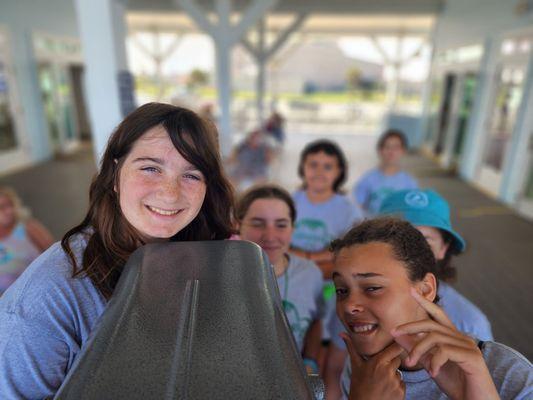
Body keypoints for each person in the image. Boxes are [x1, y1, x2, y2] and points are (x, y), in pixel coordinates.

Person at [0, 103, 235, 398]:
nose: (170, 192)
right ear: (114, 173)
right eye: (151, 168)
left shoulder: (205, 254)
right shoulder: (48, 296)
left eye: (192, 175)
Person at [331, 218, 532, 400]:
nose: (349, 305)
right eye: (341, 290)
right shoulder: (363, 370)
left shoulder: (508, 375)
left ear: (425, 289)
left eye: (372, 288)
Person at [290, 139, 363, 395]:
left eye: (328, 166)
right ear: (303, 167)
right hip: (294, 287)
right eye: (313, 164)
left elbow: (348, 257)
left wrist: (304, 257)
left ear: (339, 171)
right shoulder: (290, 200)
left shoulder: (348, 210)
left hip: (331, 290)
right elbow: (275, 246)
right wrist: (322, 257)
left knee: (327, 360)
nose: (319, 172)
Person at [379, 188, 493, 341]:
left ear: (443, 249)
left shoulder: (470, 323)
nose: (408, 253)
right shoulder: (355, 302)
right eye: (396, 239)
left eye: (425, 241)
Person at [236, 184, 324, 373]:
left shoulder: (310, 273)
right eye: (258, 223)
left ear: (292, 228)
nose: (270, 236)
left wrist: (310, 361)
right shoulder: (221, 276)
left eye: (281, 225)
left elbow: (316, 321)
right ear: (238, 225)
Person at [0, 187, 54, 295]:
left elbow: (56, 256)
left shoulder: (29, 228)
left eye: (10, 205)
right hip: (9, 302)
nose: (8, 211)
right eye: (1, 207)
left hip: (42, 291)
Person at [353, 129, 417, 216]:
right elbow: (357, 209)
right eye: (387, 147)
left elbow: (414, 212)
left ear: (403, 151)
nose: (391, 152)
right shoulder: (367, 179)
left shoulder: (409, 182)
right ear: (380, 150)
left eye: (396, 147)